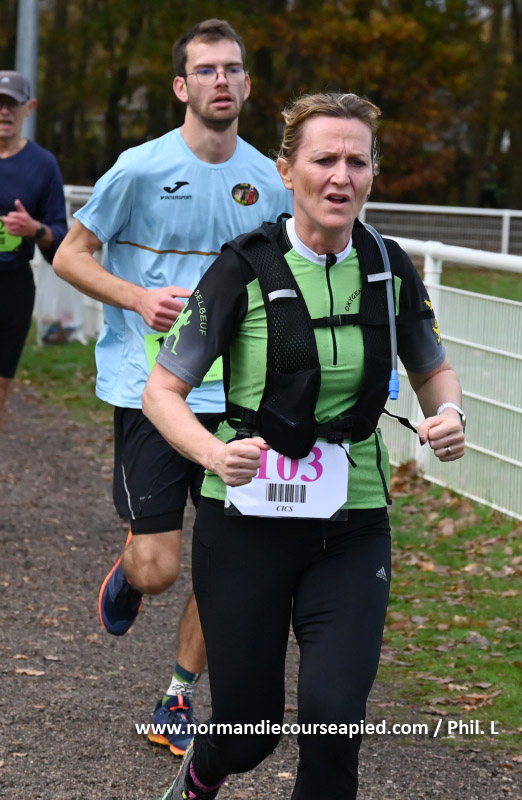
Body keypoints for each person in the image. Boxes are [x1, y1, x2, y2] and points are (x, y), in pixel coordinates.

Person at [142, 91, 466, 800]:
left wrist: (448, 414)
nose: (341, 176)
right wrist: (210, 453)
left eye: (358, 161)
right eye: (324, 160)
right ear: (287, 170)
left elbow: (432, 369)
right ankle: (203, 771)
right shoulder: (242, 266)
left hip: (352, 522)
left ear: (373, 173)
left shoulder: (387, 266)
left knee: (333, 720)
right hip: (245, 517)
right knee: (248, 730)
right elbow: (161, 391)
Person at [53, 19, 292, 756]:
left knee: (231, 566)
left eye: (233, 69)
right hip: (150, 389)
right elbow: (69, 255)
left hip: (239, 398)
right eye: (207, 70)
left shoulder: (272, 180)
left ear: (247, 85)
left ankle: (177, 696)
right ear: (183, 87)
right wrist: (135, 297)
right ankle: (131, 575)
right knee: (159, 568)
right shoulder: (139, 169)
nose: (222, 80)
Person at [0, 70, 67, 432]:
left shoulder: (43, 165)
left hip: (12, 287)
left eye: (12, 104)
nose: (4, 111)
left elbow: (61, 237)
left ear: (30, 108)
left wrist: (34, 229)